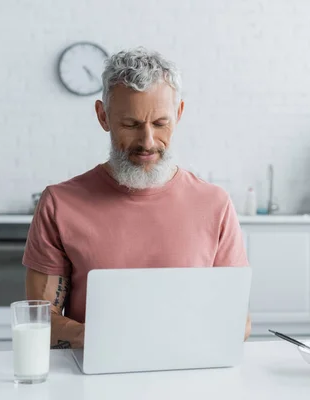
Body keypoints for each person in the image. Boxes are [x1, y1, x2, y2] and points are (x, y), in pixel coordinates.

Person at [23, 48, 251, 348]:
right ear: (103, 116)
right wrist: (96, 337)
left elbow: (238, 319)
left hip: (188, 373)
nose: (147, 142)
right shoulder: (59, 203)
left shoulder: (215, 204)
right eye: (130, 125)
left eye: (160, 123)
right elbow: (39, 321)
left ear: (179, 114)